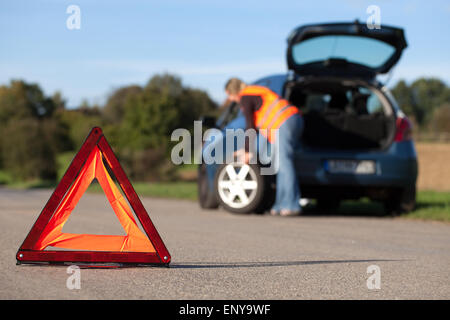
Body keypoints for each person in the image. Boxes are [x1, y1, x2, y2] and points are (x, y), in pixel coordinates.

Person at [224, 78, 304, 216]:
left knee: (284, 162)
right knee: (279, 164)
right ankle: (280, 205)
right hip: (290, 120)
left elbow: (250, 126)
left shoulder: (245, 96)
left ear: (232, 91)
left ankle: (291, 205)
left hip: (284, 120)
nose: (231, 99)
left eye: (229, 96)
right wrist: (247, 149)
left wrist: (248, 152)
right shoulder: (254, 92)